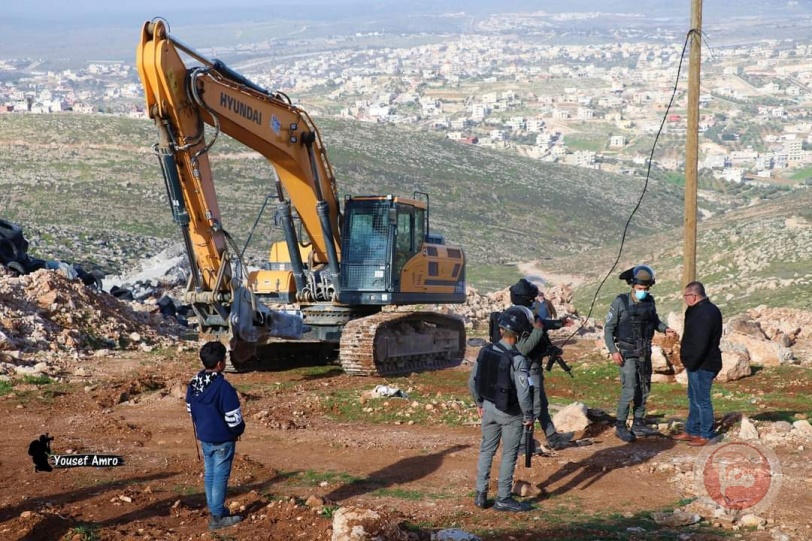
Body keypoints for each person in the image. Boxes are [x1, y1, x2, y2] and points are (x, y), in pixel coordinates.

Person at [469, 306, 535, 512]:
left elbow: (472, 381)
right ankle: (503, 497)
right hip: (510, 413)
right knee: (509, 454)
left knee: (486, 449)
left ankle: (480, 494)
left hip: (487, 408)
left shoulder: (485, 351)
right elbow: (524, 394)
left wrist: (479, 403)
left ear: (501, 330)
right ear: (521, 334)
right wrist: (529, 415)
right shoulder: (518, 360)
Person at [604, 265, 676, 442]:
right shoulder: (620, 302)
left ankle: (638, 423)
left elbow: (655, 321)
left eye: (645, 289)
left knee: (644, 389)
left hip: (645, 351)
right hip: (627, 353)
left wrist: (665, 329)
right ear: (632, 286)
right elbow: (608, 329)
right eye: (639, 289)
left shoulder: (649, 302)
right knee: (630, 389)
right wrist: (613, 351)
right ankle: (620, 425)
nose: (642, 292)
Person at [186, 341, 246, 531]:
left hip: (204, 438)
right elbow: (234, 419)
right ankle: (217, 517)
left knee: (210, 473)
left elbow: (190, 409)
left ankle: (215, 510)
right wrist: (238, 431)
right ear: (220, 363)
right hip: (223, 440)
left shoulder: (194, 383)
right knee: (220, 476)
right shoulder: (224, 387)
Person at [509, 278, 574, 451]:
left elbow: (542, 323)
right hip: (527, 369)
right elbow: (523, 348)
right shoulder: (519, 317)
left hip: (533, 367)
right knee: (533, 405)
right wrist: (538, 330)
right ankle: (524, 444)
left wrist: (560, 323)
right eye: (531, 299)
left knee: (541, 403)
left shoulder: (524, 314)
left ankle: (552, 436)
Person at [673, 281, 723, 447]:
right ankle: (692, 430)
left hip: (703, 363)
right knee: (694, 398)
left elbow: (701, 342)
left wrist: (691, 362)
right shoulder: (697, 310)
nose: (685, 299)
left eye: (686, 295)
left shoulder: (705, 312)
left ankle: (706, 434)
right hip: (695, 362)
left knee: (702, 400)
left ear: (693, 296)